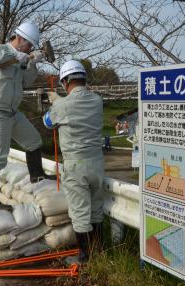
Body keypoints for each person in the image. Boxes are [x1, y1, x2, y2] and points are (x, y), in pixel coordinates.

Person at [0, 21, 54, 211]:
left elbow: (27, 81)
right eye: (29, 45)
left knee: (34, 140)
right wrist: (15, 54)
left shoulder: (23, 58)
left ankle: (37, 176)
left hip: (13, 113)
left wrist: (32, 63)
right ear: (20, 38)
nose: (30, 48)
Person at [43, 60, 104, 265]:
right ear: (83, 78)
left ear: (66, 81)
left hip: (76, 165)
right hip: (97, 163)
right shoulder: (97, 100)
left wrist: (55, 101)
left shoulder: (61, 105)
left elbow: (48, 122)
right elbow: (77, 105)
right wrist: (59, 101)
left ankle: (85, 258)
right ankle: (98, 253)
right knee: (96, 210)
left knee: (79, 213)